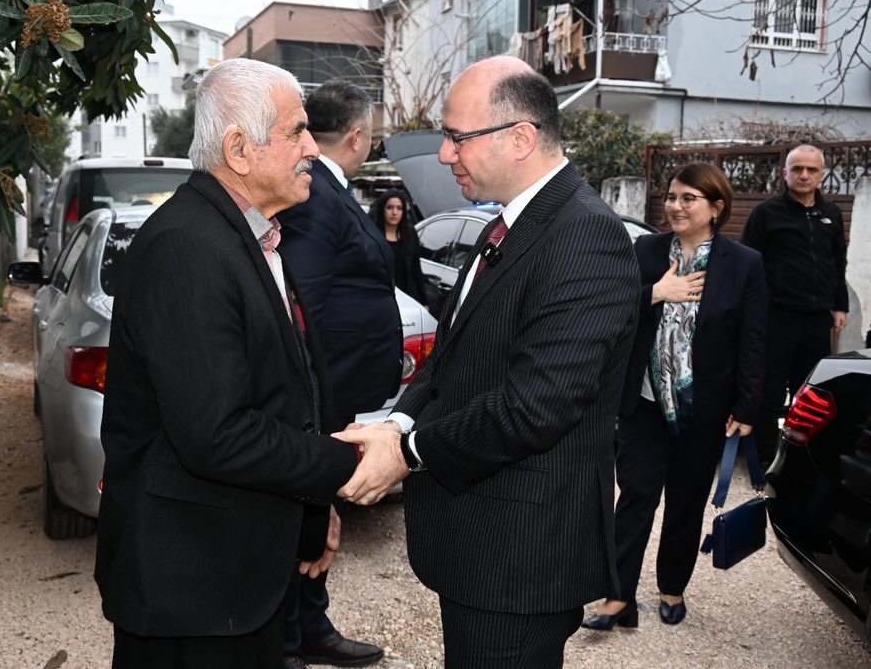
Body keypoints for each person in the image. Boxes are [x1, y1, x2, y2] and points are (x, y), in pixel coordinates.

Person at [334, 55, 641, 669]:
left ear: (520, 138)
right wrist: (396, 423)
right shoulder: (506, 223)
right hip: (483, 547)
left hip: (519, 560)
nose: (444, 154)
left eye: (457, 136)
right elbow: (451, 357)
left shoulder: (585, 234)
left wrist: (408, 453)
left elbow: (536, 406)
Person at [94, 58, 375, 669]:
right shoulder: (188, 247)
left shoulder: (251, 234)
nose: (312, 147)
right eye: (297, 131)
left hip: (238, 581)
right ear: (239, 150)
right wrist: (351, 463)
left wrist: (315, 506)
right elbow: (218, 434)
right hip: (190, 592)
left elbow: (286, 390)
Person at [582, 162, 768, 632]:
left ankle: (672, 588)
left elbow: (753, 339)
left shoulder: (743, 263)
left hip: (704, 408)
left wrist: (747, 406)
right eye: (671, 197)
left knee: (686, 501)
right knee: (636, 497)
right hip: (645, 402)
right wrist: (655, 292)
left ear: (716, 208)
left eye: (688, 198)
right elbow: (609, 307)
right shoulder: (646, 250)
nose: (675, 206)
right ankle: (618, 596)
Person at [276, 80, 400, 668]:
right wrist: (314, 403)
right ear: (356, 136)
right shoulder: (315, 195)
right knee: (305, 514)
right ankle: (286, 640)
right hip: (322, 394)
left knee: (321, 511)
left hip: (342, 389)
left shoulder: (329, 189)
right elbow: (304, 309)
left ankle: (311, 624)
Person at [741, 144, 848, 467]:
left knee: (812, 394)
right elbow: (748, 264)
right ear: (784, 172)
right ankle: (763, 460)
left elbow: (837, 262)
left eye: (811, 170)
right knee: (770, 392)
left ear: (822, 174)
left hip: (817, 319)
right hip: (776, 317)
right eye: (797, 168)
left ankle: (802, 462)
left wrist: (839, 306)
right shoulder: (766, 213)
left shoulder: (831, 214)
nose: (804, 175)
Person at [369, 190, 428, 304]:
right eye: (390, 207)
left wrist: (424, 301)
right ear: (382, 209)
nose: (394, 212)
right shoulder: (372, 234)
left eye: (399, 208)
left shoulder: (410, 234)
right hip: (378, 297)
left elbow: (415, 269)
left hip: (406, 297)